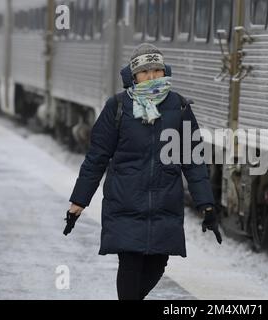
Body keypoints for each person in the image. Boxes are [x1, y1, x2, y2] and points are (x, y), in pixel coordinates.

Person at [66, 43, 222, 300]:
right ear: (134, 75)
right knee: (130, 265)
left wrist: (206, 205)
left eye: (157, 70)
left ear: (164, 72)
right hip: (125, 202)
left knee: (157, 266)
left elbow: (193, 161)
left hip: (164, 204)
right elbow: (96, 158)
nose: (152, 77)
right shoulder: (117, 107)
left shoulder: (179, 108)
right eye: (145, 72)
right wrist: (78, 202)